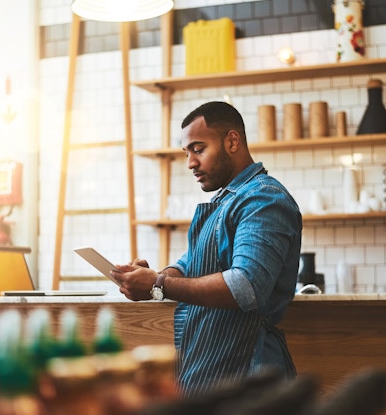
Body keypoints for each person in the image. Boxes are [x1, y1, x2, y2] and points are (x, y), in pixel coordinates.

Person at [112, 101, 302, 397]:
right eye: (186, 153)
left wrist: (159, 284)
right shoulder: (226, 201)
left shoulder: (264, 200)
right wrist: (153, 276)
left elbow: (246, 286)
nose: (190, 163)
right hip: (211, 370)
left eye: (198, 149)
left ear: (232, 141)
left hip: (249, 372)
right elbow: (190, 265)